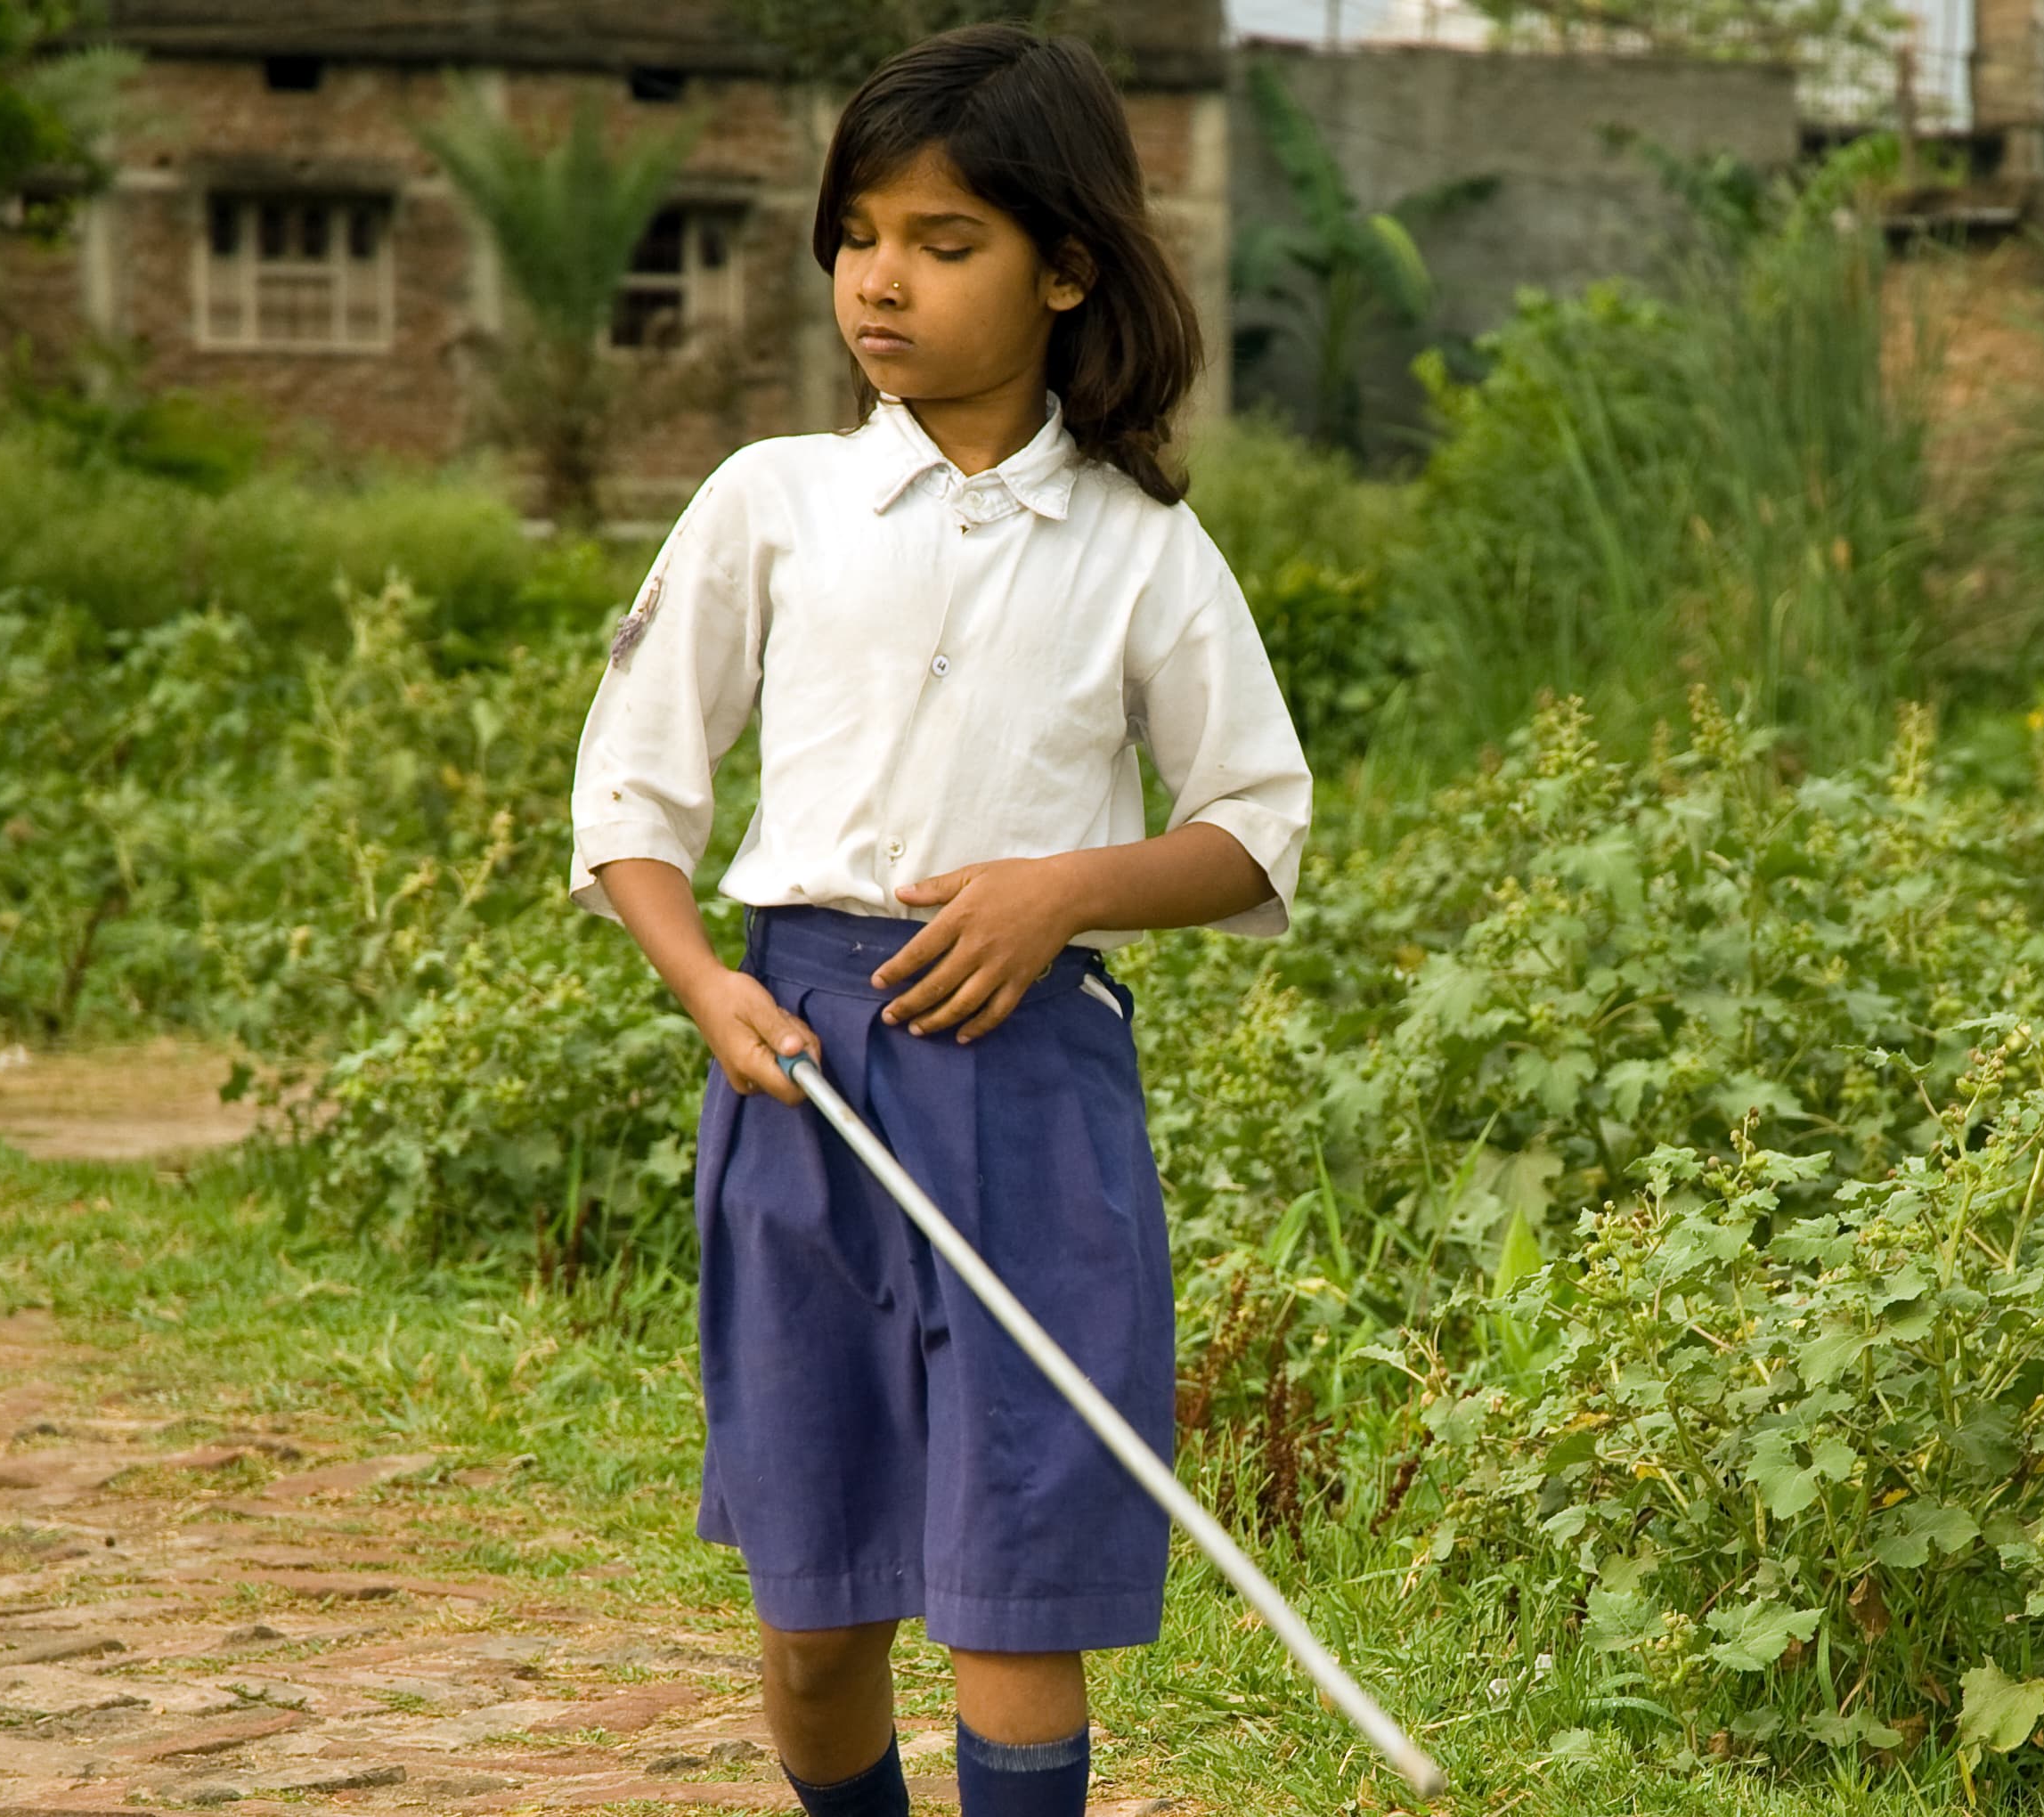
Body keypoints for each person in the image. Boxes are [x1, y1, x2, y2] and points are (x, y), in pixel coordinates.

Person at [566, 26, 1312, 1817]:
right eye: (858, 236)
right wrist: (704, 991)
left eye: (944, 242)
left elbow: (1255, 828)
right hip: (802, 1070)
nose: (881, 281)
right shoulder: (776, 502)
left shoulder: (1141, 546)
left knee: (1012, 1588)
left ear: (1066, 268)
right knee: (820, 1619)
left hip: (1030, 1088)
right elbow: (631, 804)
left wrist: (1069, 888)